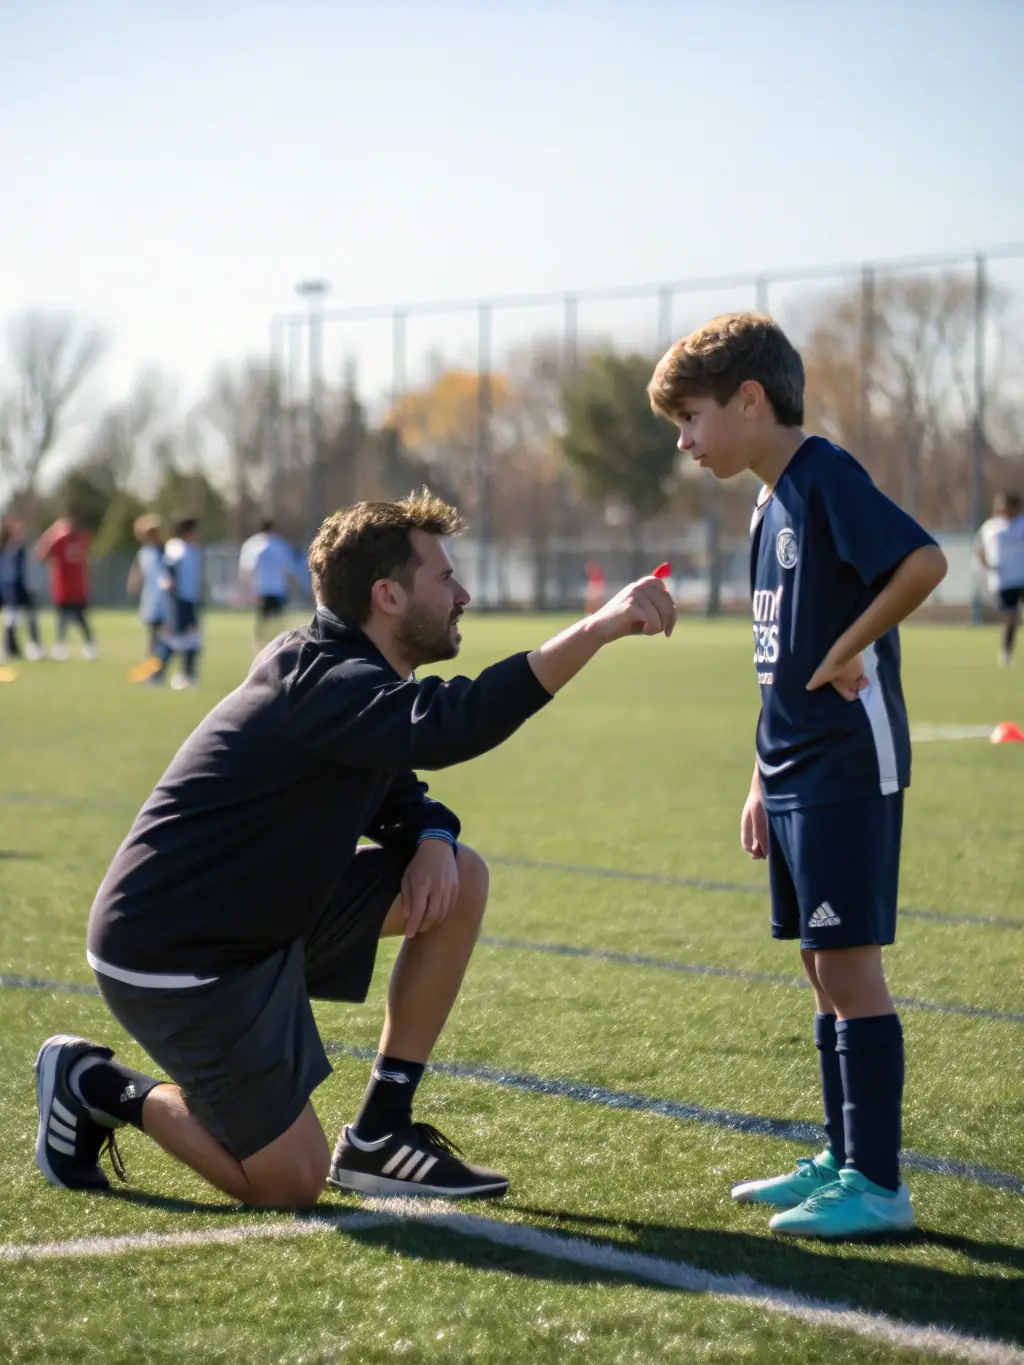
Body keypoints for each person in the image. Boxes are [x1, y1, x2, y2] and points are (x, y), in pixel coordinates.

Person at [33, 491, 675, 1208]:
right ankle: (97, 1084)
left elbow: (399, 790)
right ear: (388, 595)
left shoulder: (346, 670)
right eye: (444, 579)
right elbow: (452, 723)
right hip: (177, 955)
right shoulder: (328, 679)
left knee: (459, 875)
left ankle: (379, 1133)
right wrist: (598, 627)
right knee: (290, 1181)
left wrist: (433, 834)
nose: (462, 595)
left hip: (259, 919)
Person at [648, 314, 947, 1240]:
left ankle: (881, 1184)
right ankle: (842, 1154)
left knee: (850, 965)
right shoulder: (765, 504)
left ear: (750, 399)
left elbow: (922, 562)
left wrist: (853, 646)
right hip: (790, 768)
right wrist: (756, 775)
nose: (687, 442)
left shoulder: (824, 477)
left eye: (692, 419)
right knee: (821, 966)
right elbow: (776, 659)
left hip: (848, 762)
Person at [34, 509, 97, 660]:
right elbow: (40, 555)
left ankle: (90, 646)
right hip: (63, 588)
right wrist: (52, 532)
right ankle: (60, 647)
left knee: (81, 618)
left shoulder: (82, 538)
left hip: (79, 587)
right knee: (62, 618)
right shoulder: (58, 541)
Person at [150, 515, 204, 689]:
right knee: (176, 640)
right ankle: (162, 675)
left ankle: (185, 675)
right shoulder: (176, 548)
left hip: (191, 600)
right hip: (178, 601)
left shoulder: (194, 550)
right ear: (187, 531)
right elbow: (168, 571)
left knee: (190, 640)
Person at [974, 491, 1024, 666]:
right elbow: (980, 548)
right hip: (1004, 580)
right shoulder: (991, 527)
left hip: (1022, 576)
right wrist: (987, 565)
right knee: (1011, 616)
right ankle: (1006, 653)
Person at [238, 517, 302, 653]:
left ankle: (259, 646)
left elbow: (247, 569)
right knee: (277, 619)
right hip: (278, 588)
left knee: (262, 620)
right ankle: (279, 645)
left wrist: (247, 588)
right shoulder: (281, 544)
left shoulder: (252, 545)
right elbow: (288, 568)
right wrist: (292, 585)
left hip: (261, 588)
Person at [0, 514, 44, 662]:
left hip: (17, 587)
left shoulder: (16, 547)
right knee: (12, 618)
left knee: (25, 617)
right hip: (13, 588)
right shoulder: (11, 548)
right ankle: (10, 648)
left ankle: (29, 647)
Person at [126, 514, 168, 665]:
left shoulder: (167, 551)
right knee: (153, 639)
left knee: (167, 639)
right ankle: (152, 671)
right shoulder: (144, 553)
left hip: (167, 601)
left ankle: (159, 670)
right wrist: (134, 582)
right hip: (151, 602)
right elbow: (138, 572)